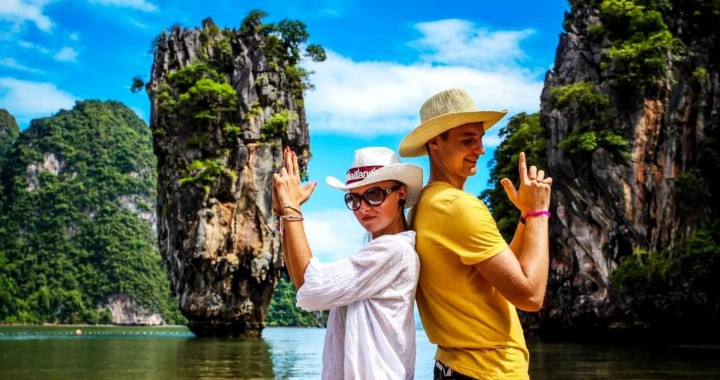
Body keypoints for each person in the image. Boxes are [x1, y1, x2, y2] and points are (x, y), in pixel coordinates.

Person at [398, 88, 553, 379]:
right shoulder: (457, 207)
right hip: (487, 371)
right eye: (467, 140)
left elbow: (506, 276)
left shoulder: (426, 205)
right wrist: (538, 214)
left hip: (454, 367)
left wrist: (523, 217)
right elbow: (530, 295)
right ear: (435, 143)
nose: (480, 150)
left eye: (480, 140)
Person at [271, 146, 423, 380]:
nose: (363, 207)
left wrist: (292, 208)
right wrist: (284, 213)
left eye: (374, 195)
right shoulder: (380, 252)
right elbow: (304, 285)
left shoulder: (394, 249)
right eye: (354, 198)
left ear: (400, 193)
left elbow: (311, 287)